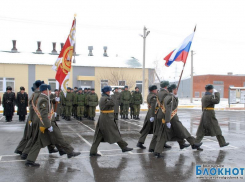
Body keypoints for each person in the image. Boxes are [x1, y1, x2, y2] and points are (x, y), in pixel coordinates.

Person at [25, 84, 81, 167]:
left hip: (46, 123)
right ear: (45, 91)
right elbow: (44, 114)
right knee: (59, 137)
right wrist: (49, 126)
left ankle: (30, 160)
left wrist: (55, 99)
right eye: (49, 90)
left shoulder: (44, 98)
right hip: (47, 123)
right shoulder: (43, 100)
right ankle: (70, 152)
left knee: (39, 142)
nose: (50, 92)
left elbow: (49, 101)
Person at [154, 84, 203, 158]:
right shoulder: (171, 98)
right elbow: (168, 110)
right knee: (183, 131)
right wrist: (167, 121)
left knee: (169, 134)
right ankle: (193, 143)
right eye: (176, 89)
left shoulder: (169, 97)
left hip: (170, 119)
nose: (177, 90)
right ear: (173, 90)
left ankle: (158, 151)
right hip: (172, 119)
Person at [90, 86, 133, 156]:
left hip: (105, 118)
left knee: (98, 136)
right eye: (108, 91)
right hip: (107, 119)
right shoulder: (105, 98)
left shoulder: (105, 97)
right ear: (106, 91)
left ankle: (93, 151)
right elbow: (113, 103)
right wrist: (114, 95)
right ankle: (123, 147)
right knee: (114, 133)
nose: (109, 92)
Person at [148, 81, 173, 152]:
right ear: (166, 86)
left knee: (156, 132)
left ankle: (152, 147)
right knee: (162, 133)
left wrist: (153, 115)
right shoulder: (166, 94)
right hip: (163, 115)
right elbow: (167, 107)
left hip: (158, 114)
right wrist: (167, 120)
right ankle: (158, 151)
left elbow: (155, 105)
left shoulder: (158, 93)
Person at [136, 85, 157, 149]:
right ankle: (161, 143)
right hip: (153, 114)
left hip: (149, 113)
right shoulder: (153, 96)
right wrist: (153, 116)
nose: (156, 90)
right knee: (158, 129)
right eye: (156, 89)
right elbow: (153, 107)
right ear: (153, 90)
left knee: (146, 129)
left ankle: (140, 142)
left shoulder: (150, 95)